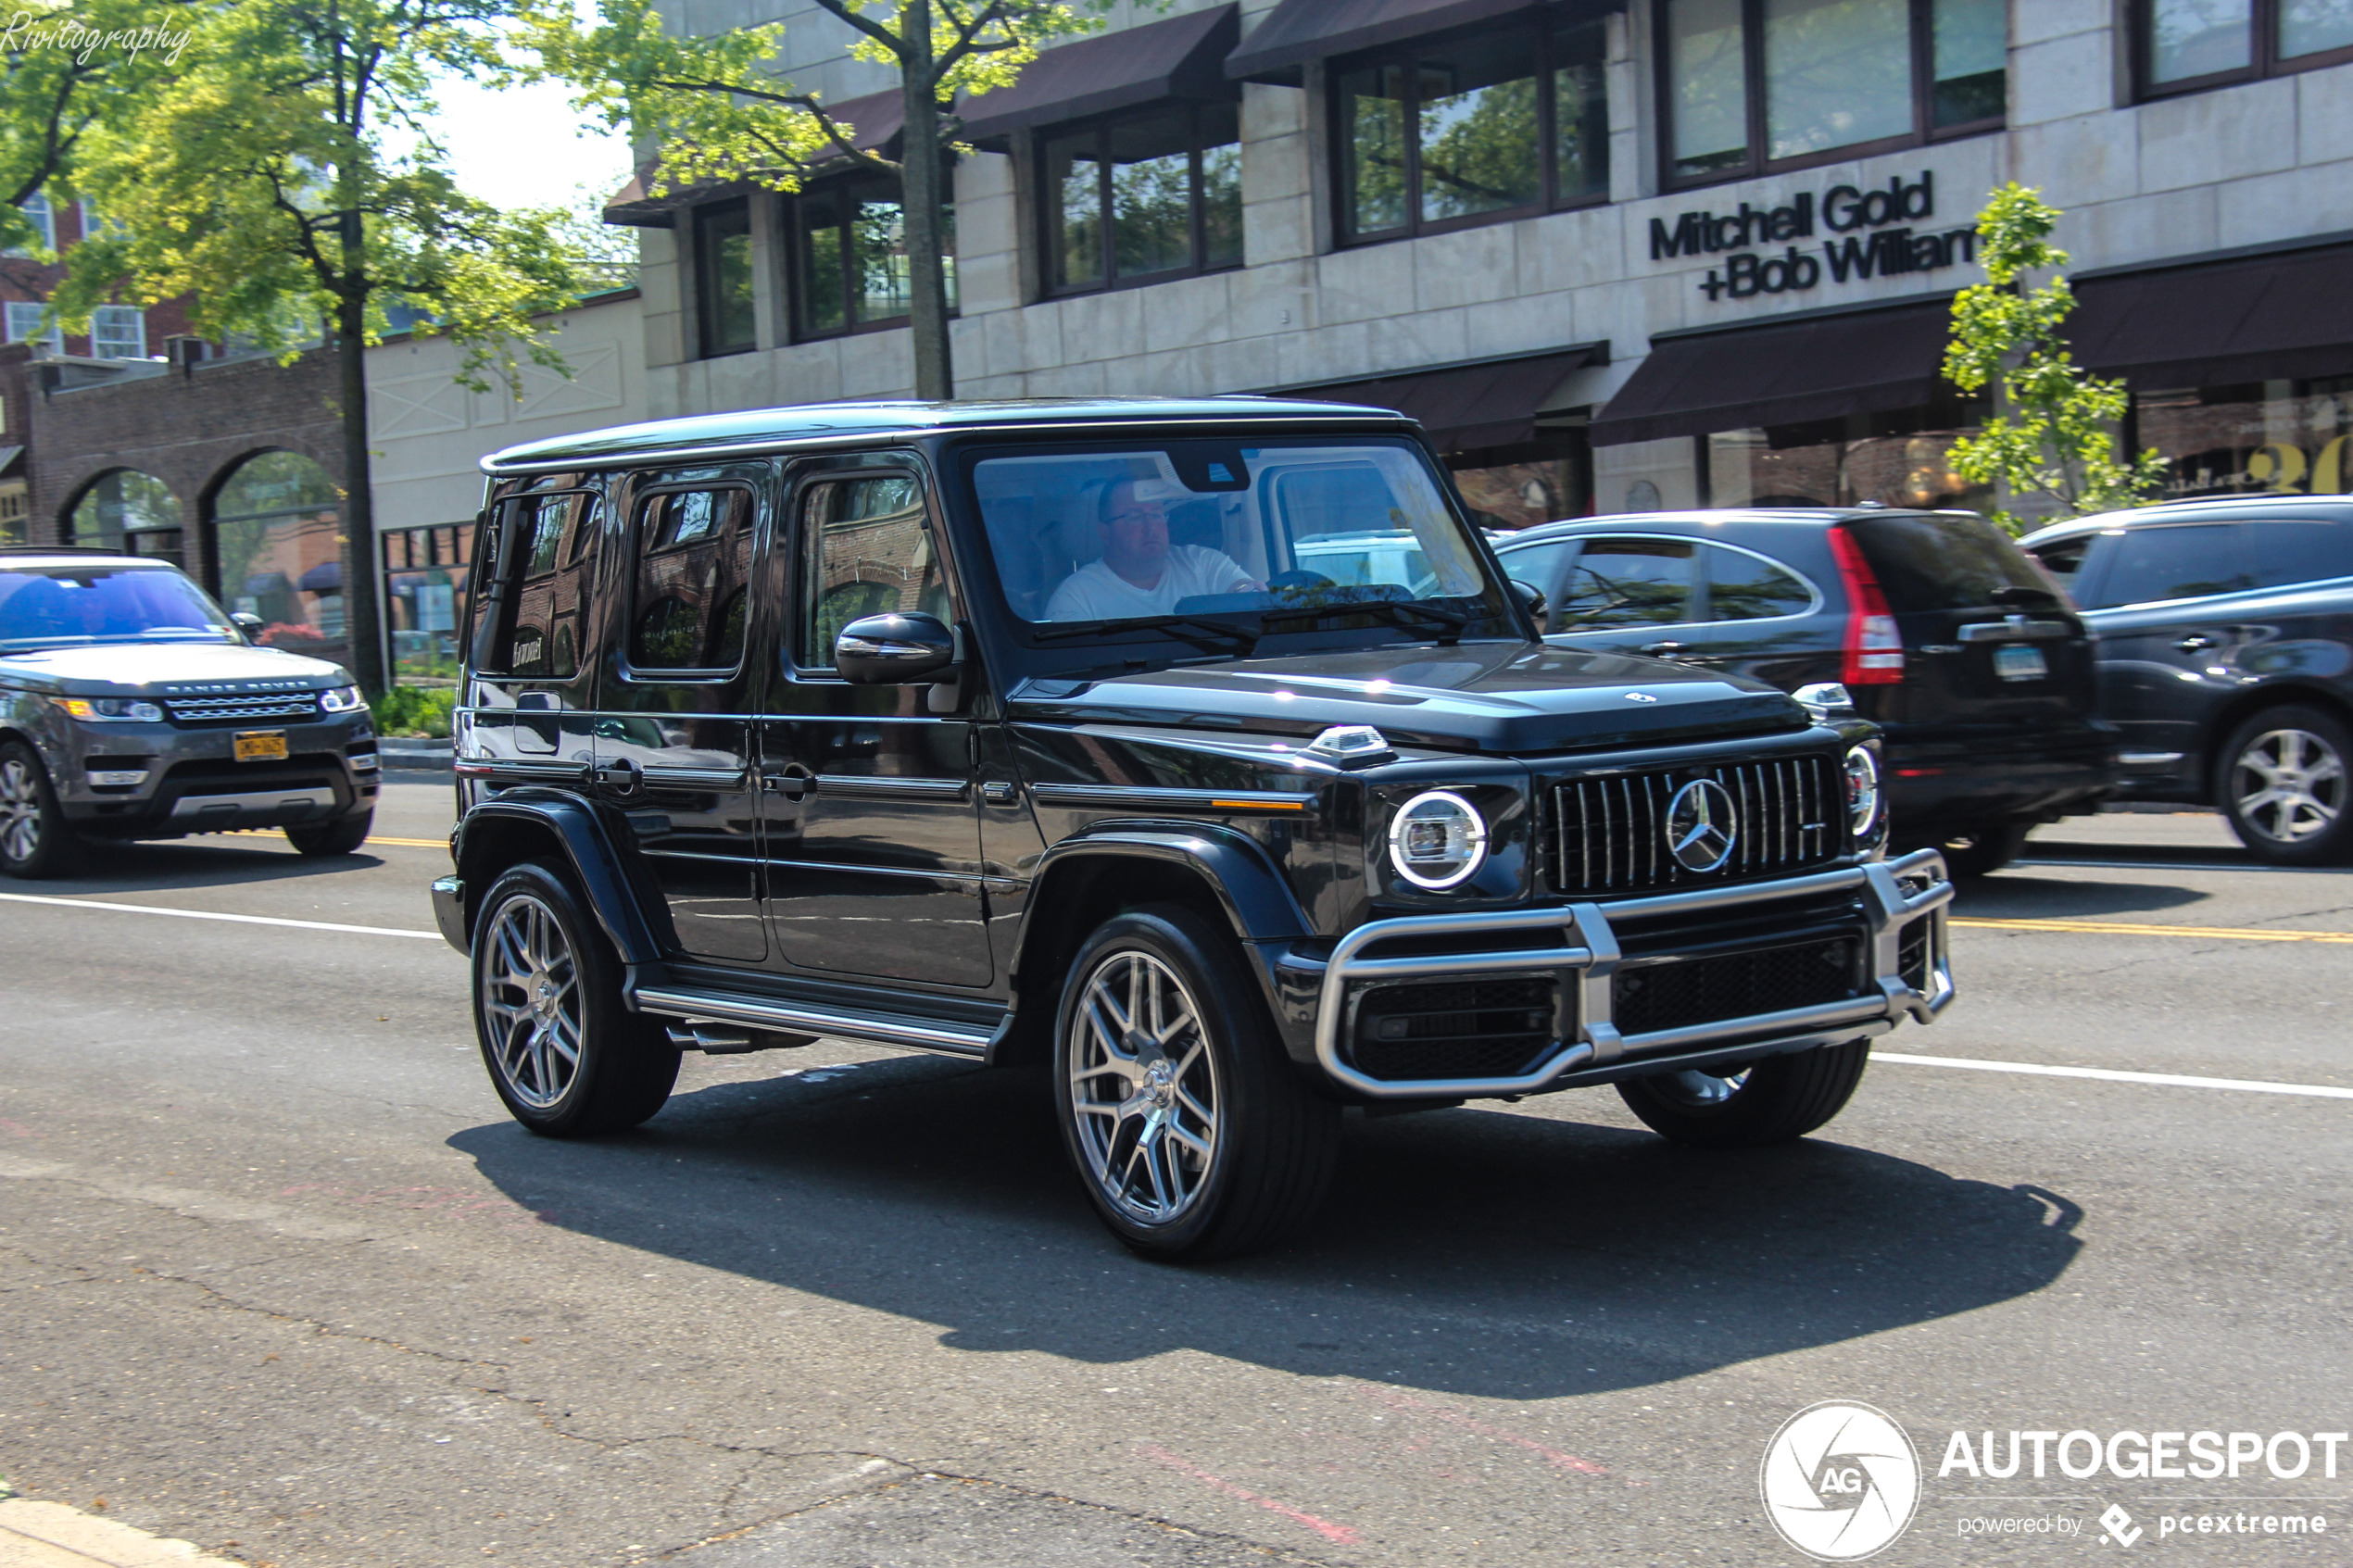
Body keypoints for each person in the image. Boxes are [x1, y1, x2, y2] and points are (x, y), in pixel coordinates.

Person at [1043, 477, 1263, 621]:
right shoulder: (1076, 597)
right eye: (1134, 517)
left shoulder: (1201, 562)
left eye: (1156, 514)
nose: (1150, 527)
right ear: (1105, 532)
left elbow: (1242, 589)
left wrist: (1246, 591)